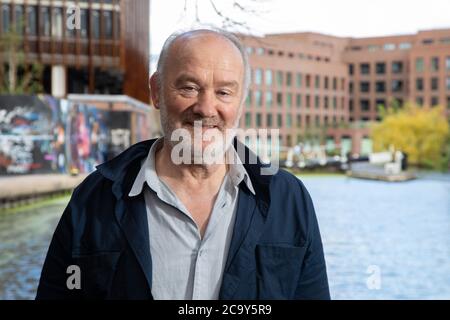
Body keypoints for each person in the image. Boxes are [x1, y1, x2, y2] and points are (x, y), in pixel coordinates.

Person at [36, 29, 330, 300]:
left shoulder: (288, 200)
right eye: (189, 88)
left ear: (241, 103)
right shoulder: (93, 200)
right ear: (156, 91)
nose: (205, 108)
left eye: (224, 92)